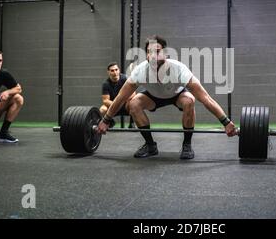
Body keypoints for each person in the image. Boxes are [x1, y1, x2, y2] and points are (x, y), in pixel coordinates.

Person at [96, 35, 238, 160]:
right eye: (149, 52)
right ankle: (150, 146)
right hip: (153, 96)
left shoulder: (179, 69)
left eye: (157, 52)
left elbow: (205, 98)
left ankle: (187, 145)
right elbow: (121, 98)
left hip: (177, 95)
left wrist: (226, 122)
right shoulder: (140, 71)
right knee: (133, 104)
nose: (152, 56)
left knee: (190, 100)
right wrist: (105, 120)